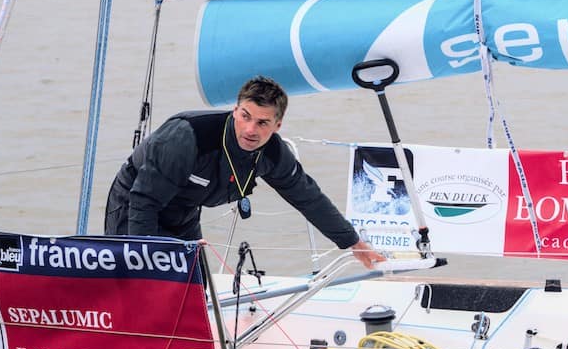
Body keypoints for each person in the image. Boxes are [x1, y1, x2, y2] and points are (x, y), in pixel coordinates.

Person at [105, 76, 382, 269]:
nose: (251, 130)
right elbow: (144, 200)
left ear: (278, 125)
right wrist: (147, 263)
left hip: (185, 210)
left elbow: (308, 198)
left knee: (195, 290)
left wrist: (353, 242)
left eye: (262, 123)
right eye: (245, 116)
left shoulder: (273, 154)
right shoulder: (187, 136)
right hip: (135, 204)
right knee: (147, 285)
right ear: (235, 110)